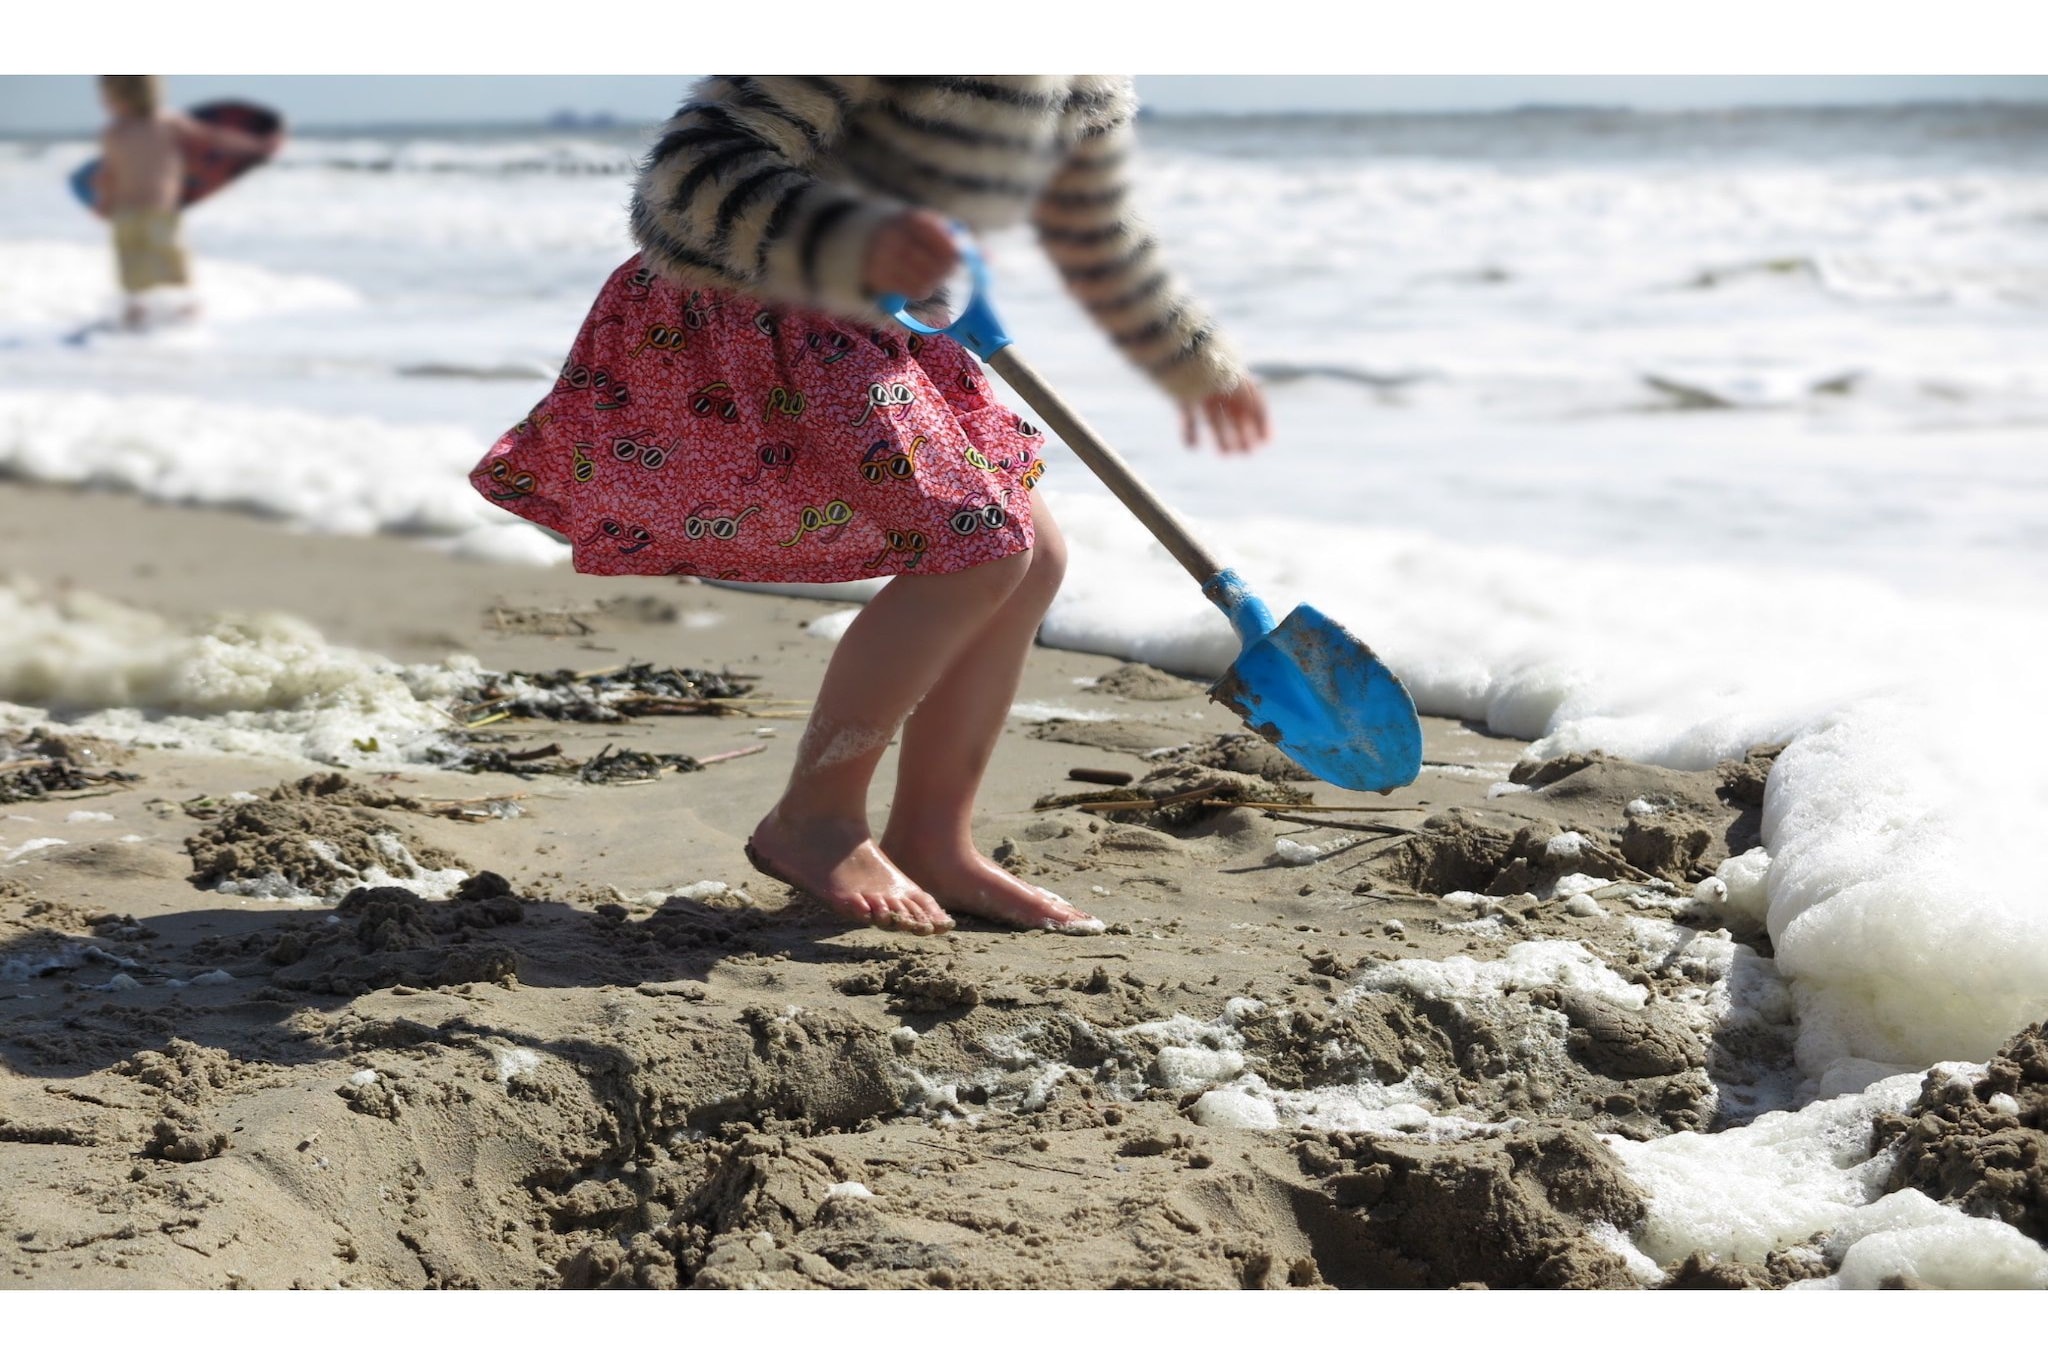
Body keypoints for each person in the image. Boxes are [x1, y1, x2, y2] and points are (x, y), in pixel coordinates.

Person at [471, 75, 1269, 937]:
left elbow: (1093, 218)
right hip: (760, 310)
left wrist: (1196, 357)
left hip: (888, 324)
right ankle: (813, 817)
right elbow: (687, 178)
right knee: (980, 546)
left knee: (1034, 558)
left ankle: (933, 838)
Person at [93, 75, 194, 329]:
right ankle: (186, 313)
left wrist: (103, 202)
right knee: (171, 262)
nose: (102, 102)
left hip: (126, 211)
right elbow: (206, 140)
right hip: (160, 209)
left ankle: (135, 315)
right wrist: (253, 145)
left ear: (121, 97)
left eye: (106, 96)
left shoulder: (114, 131)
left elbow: (109, 176)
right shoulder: (169, 122)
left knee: (131, 266)